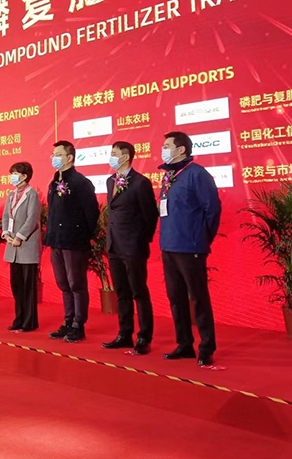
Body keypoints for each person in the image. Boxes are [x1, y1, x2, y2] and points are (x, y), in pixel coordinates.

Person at [158, 131, 222, 367]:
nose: (163, 149)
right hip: (169, 245)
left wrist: (202, 237)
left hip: (190, 246)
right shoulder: (169, 176)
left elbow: (212, 209)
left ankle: (206, 347)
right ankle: (184, 344)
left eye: (167, 146)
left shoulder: (197, 174)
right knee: (176, 298)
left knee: (198, 297)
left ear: (181, 149)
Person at [102, 141, 159, 355]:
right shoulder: (110, 181)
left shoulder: (140, 182)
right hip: (114, 245)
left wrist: (141, 240)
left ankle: (144, 336)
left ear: (126, 157)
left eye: (114, 153)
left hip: (133, 246)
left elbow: (150, 216)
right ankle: (124, 334)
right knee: (122, 293)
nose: (111, 156)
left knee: (139, 292)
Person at [46, 140, 100, 343]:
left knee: (76, 283)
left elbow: (91, 213)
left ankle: (78, 324)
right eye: (53, 155)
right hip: (56, 241)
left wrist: (82, 236)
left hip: (74, 241)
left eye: (58, 155)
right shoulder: (54, 182)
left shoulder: (80, 182)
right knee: (63, 283)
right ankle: (68, 321)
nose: (54, 158)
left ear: (69, 157)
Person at [2, 162, 41, 332]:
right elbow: (5, 216)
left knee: (27, 286)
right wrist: (6, 234)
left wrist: (19, 237)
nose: (13, 176)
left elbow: (32, 219)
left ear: (25, 176)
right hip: (12, 246)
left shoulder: (32, 194)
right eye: (12, 173)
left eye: (16, 173)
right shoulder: (11, 195)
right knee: (16, 285)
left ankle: (29, 322)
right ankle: (18, 318)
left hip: (26, 245)